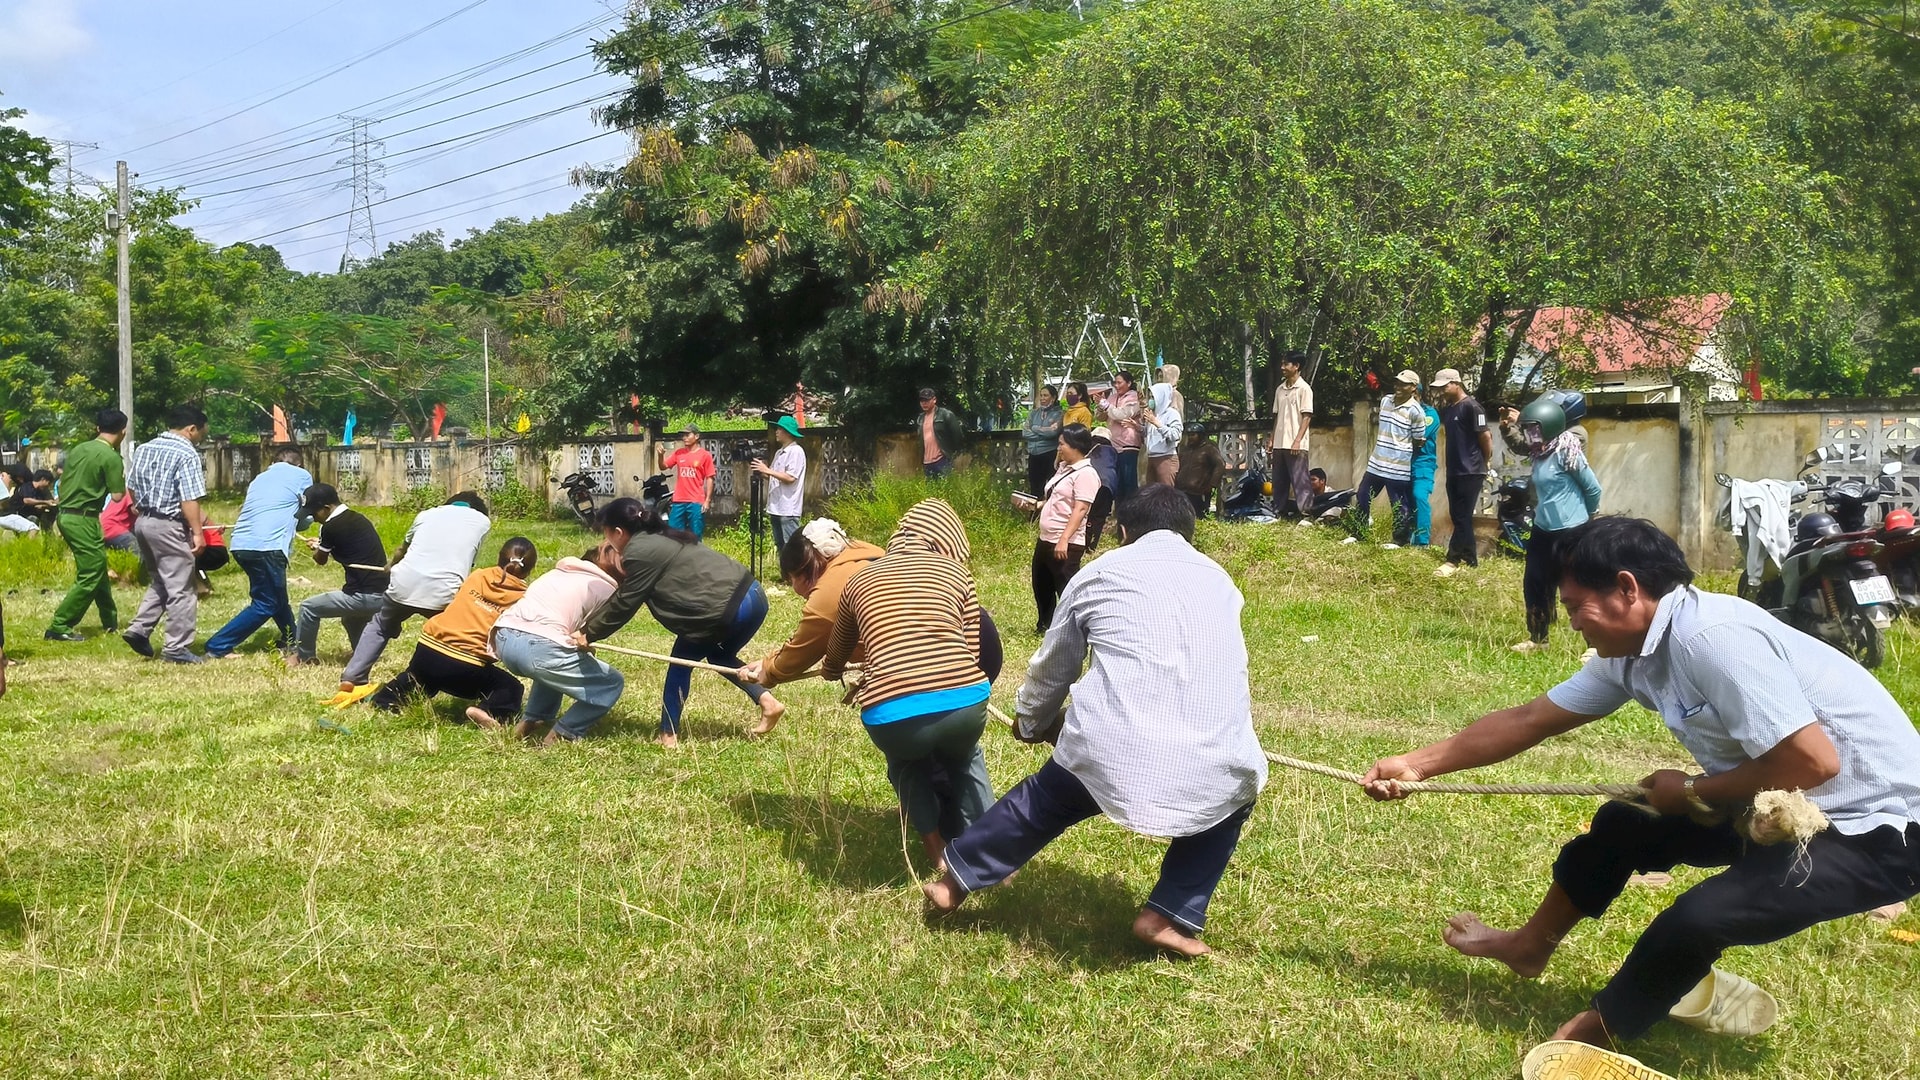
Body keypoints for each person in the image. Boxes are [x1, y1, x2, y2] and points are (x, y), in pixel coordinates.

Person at [1363, 517, 1920, 1052]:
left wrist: (1696, 790)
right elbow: (1529, 719)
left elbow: (1813, 762)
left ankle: (1593, 1036)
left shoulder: (1711, 637)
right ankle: (1529, 947)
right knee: (1626, 823)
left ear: (1627, 589)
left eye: (1576, 606)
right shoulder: (1633, 652)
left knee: (1701, 917)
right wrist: (1415, 765)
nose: (1574, 622)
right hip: (1778, 805)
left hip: (1877, 829)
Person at [925, 485, 1268, 957]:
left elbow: (1054, 668)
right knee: (1234, 801)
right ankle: (1165, 914)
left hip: (1110, 747)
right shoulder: (1221, 581)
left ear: (1124, 531)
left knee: (1045, 800)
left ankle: (954, 885)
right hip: (1220, 758)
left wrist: (1029, 722)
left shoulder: (1101, 573)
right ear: (1190, 533)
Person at [824, 499, 993, 869]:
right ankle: (992, 856)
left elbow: (837, 647)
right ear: (945, 541)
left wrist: (832, 668)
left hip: (893, 714)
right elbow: (972, 649)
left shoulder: (859, 580)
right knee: (966, 759)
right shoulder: (957, 574)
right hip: (965, 701)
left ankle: (936, 855)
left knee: (907, 765)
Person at [586, 497, 785, 747]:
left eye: (607, 536)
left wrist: (587, 634)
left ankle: (668, 735)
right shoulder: (663, 534)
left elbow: (624, 604)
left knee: (681, 662)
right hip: (754, 596)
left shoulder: (637, 551)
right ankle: (768, 702)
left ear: (617, 532)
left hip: (725, 609)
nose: (608, 544)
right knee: (719, 656)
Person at [333, 492, 492, 701]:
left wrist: (391, 566)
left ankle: (353, 677)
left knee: (380, 626)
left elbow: (403, 549)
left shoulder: (426, 514)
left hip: (403, 584)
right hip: (444, 592)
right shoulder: (482, 521)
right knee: (456, 634)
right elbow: (469, 560)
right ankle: (469, 684)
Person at [371, 538, 535, 727]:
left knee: (419, 677)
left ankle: (385, 699)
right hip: (466, 665)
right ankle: (490, 712)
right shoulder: (525, 598)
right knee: (510, 687)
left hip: (427, 649)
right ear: (530, 569)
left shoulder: (477, 576)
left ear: (500, 557)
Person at [738, 519, 888, 715]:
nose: (794, 588)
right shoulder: (869, 552)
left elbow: (801, 652)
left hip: (909, 684)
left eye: (791, 579)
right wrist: (768, 662)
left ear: (803, 570)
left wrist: (769, 671)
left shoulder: (829, 593)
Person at [493, 542, 627, 743]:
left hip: (503, 638)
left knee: (555, 667)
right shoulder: (606, 587)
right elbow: (587, 633)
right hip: (538, 649)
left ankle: (532, 721)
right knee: (611, 683)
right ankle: (563, 733)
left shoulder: (557, 572)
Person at [1508, 395, 1602, 653]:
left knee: (1579, 586)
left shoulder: (1568, 450)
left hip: (1571, 529)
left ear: (1547, 426)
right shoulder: (1540, 452)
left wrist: (1590, 516)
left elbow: (1593, 488)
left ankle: (1594, 645)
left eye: (1533, 429)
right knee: (1535, 582)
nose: (1529, 434)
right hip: (1543, 528)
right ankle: (1539, 639)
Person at [123, 404, 211, 664]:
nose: (200, 438)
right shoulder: (186, 453)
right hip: (169, 524)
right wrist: (197, 533)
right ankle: (177, 648)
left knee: (161, 579)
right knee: (182, 587)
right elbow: (189, 498)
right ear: (191, 429)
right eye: (201, 433)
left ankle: (139, 628)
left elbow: (131, 488)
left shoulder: (144, 448)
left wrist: (143, 513)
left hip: (144, 521)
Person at [205, 449, 313, 658]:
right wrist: (305, 524)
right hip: (269, 546)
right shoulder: (301, 476)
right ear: (299, 464)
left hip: (241, 544)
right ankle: (218, 645)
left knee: (275, 595)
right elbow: (307, 512)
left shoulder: (259, 479)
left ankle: (292, 639)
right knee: (266, 603)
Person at [44, 409, 127, 642]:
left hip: (66, 515)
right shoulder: (111, 458)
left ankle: (109, 621)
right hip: (84, 518)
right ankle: (59, 625)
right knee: (91, 572)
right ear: (123, 432)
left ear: (97, 429)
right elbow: (119, 496)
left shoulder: (79, 449)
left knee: (97, 567)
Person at [290, 484, 390, 666]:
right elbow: (347, 545)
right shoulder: (357, 518)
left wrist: (318, 549)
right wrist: (322, 544)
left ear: (327, 508)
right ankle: (364, 656)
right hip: (382, 591)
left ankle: (304, 658)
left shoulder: (330, 527)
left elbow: (321, 560)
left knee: (308, 608)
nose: (313, 517)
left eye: (314, 512)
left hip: (363, 596)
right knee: (351, 619)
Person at [1031, 425, 1100, 635]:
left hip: (1066, 541)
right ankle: (1045, 625)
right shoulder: (1064, 469)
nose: (1059, 448)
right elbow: (1055, 499)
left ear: (1076, 446)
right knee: (1041, 583)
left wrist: (1064, 539)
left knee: (1066, 587)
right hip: (1046, 537)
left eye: (1062, 444)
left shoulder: (1086, 474)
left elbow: (1080, 509)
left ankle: (1076, 628)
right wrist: (1037, 506)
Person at [1348, 369, 1428, 548]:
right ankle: (1359, 533)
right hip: (1377, 463)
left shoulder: (1416, 411)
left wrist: (1401, 453)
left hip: (1398, 467)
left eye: (1404, 384)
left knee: (1399, 504)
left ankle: (1399, 540)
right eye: (1397, 382)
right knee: (1363, 496)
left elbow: (1418, 440)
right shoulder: (1386, 401)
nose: (1398, 386)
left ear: (1413, 387)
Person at [1431, 368, 1493, 578]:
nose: (1442, 391)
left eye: (1444, 386)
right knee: (1458, 516)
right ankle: (1470, 558)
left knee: (1462, 516)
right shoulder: (1449, 410)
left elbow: (1485, 437)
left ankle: (1453, 558)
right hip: (1454, 470)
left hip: (1471, 470)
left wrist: (1484, 461)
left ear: (1456, 383)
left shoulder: (1473, 407)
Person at [751, 415, 807, 550]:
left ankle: (796, 571)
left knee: (792, 547)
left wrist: (767, 470)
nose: (776, 432)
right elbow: (774, 477)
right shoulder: (779, 452)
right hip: (776, 507)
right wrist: (760, 469)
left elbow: (790, 478)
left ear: (787, 432)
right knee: (780, 545)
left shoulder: (796, 451)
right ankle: (784, 571)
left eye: (779, 429)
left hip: (788, 508)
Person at [1269, 351, 1314, 518]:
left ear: (1296, 366)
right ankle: (1278, 512)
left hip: (1296, 443)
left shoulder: (1304, 389)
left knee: (1300, 480)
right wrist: (1272, 439)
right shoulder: (1280, 389)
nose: (1282, 367)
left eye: (1286, 364)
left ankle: (1306, 514)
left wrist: (1297, 440)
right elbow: (1277, 416)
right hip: (1280, 443)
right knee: (1279, 481)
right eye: (1282, 364)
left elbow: (1307, 416)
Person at [659, 425, 716, 540]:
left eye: (687, 435)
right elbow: (663, 466)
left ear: (696, 436)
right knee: (673, 534)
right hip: (678, 500)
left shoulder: (705, 455)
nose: (684, 438)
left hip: (696, 501)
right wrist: (660, 455)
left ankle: (696, 557)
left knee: (695, 535)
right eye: (683, 435)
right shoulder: (679, 453)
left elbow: (710, 478)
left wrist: (707, 501)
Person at [1098, 371, 1143, 500]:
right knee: (1116, 482)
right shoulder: (1112, 397)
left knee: (1129, 482)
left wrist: (1106, 406)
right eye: (1115, 383)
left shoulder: (1135, 398)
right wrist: (1101, 406)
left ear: (1129, 383)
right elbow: (1100, 417)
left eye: (1119, 382)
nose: (1116, 386)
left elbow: (1123, 414)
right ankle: (1118, 514)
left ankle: (1131, 515)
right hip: (1112, 445)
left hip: (1128, 445)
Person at [1409, 389, 1441, 547]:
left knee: (1419, 495)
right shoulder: (1401, 412)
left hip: (1423, 462)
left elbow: (1417, 436)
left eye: (1414, 395)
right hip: (1403, 463)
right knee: (1405, 501)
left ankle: (1422, 542)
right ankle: (1406, 539)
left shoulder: (1430, 414)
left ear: (1419, 395)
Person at [1173, 425, 1226, 518]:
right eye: (1189, 435)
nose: (1190, 438)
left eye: (1193, 435)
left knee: (1198, 516)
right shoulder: (1185, 450)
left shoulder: (1209, 449)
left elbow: (1220, 465)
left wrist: (1212, 484)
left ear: (1201, 436)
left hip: (1198, 492)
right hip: (1181, 490)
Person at [1021, 385, 1064, 496]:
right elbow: (1025, 432)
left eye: (1046, 395)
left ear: (1053, 398)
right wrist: (1043, 433)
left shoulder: (1059, 414)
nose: (1042, 398)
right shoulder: (1033, 413)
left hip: (1049, 454)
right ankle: (1034, 512)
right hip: (1033, 455)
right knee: (1035, 488)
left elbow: (1052, 432)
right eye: (1041, 395)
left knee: (1050, 487)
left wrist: (1034, 428)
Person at [915, 388, 965, 479]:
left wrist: (950, 454)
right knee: (930, 492)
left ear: (934, 400)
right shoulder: (920, 419)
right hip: (927, 462)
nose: (924, 403)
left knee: (946, 490)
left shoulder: (946, 415)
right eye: (922, 400)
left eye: (927, 400)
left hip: (942, 460)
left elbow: (958, 436)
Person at [1084, 426, 1119, 551]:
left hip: (1089, 481)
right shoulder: (1113, 451)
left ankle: (1082, 542)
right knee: (1099, 516)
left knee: (1084, 512)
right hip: (1107, 485)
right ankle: (1092, 546)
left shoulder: (1086, 448)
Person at [1142, 382, 1183, 486]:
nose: (1151, 400)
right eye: (1150, 397)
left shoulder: (1172, 414)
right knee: (1151, 494)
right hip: (1151, 457)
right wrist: (1137, 427)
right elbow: (1150, 436)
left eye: (1153, 397)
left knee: (1165, 494)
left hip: (1166, 458)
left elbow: (1175, 435)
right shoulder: (1153, 414)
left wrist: (1156, 423)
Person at [1, 466, 55, 533]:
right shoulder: (26, 487)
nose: (48, 485)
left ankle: (47, 537)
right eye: (48, 483)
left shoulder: (42, 491)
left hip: (28, 514)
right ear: (43, 479)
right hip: (15, 515)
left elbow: (41, 504)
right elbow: (26, 500)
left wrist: (44, 505)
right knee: (33, 520)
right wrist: (45, 502)